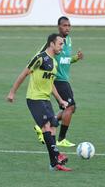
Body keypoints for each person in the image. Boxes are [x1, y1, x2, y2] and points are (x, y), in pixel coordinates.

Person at [7, 33, 72, 171]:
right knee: (46, 127)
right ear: (51, 44)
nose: (62, 47)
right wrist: (12, 92)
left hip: (45, 99)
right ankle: (57, 155)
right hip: (34, 98)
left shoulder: (54, 62)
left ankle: (54, 163)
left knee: (54, 125)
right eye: (60, 44)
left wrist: (60, 100)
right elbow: (24, 73)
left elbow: (51, 83)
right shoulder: (40, 58)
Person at [34, 16, 84, 147]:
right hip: (57, 79)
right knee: (70, 107)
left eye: (69, 25)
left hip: (64, 79)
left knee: (71, 108)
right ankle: (61, 139)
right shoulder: (54, 41)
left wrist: (75, 58)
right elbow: (39, 56)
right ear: (59, 27)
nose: (67, 28)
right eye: (64, 25)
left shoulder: (68, 40)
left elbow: (65, 60)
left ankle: (44, 125)